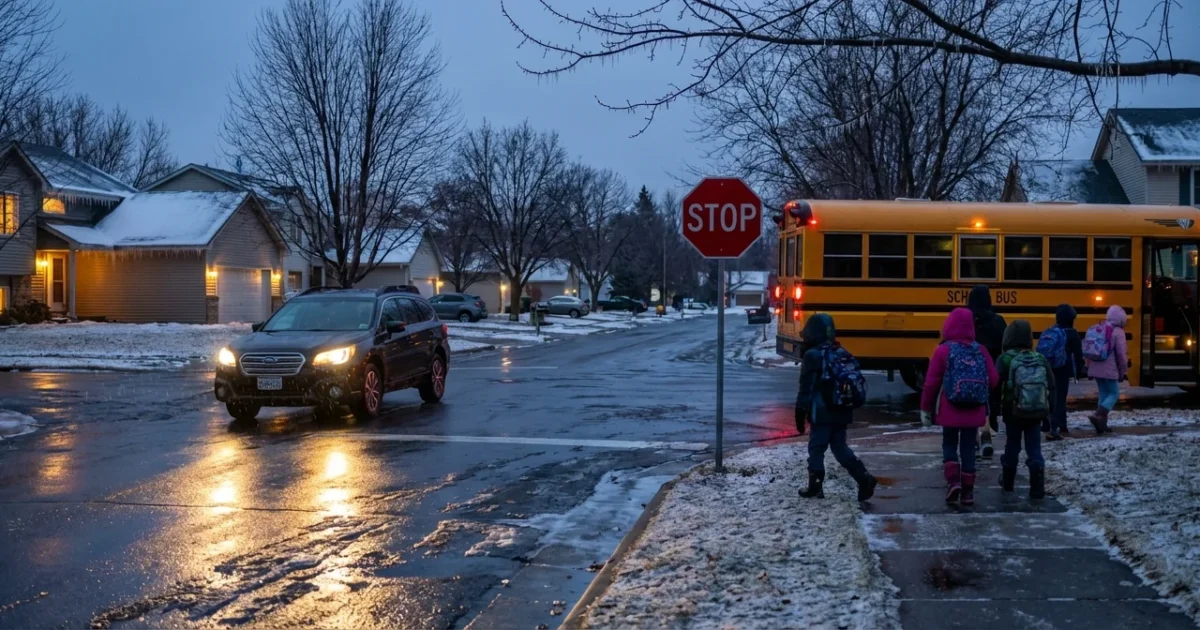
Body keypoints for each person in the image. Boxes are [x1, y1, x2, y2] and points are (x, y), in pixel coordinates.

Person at [921, 307, 1000, 506]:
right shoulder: (980, 350)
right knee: (968, 448)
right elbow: (994, 379)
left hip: (950, 409)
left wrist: (926, 409)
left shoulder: (943, 350)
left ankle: (953, 482)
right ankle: (968, 492)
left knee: (949, 444)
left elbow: (931, 383)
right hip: (975, 410)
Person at [795, 313, 878, 502]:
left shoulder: (812, 355)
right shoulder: (841, 352)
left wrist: (800, 414)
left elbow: (805, 389)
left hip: (822, 412)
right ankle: (864, 478)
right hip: (842, 410)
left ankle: (815, 487)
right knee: (840, 448)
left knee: (816, 448)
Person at [998, 320, 1054, 499]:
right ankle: (1037, 487)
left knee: (1012, 446)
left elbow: (993, 385)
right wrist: (1048, 411)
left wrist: (992, 411)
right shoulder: (1039, 358)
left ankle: (1008, 482)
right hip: (1036, 411)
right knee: (1034, 447)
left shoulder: (1005, 359)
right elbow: (1051, 385)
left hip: (1012, 411)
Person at [967, 285, 1006, 458]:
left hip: (969, 368)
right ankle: (988, 432)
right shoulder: (998, 320)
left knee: (971, 404)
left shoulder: (967, 319)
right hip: (992, 366)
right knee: (991, 400)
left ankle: (973, 439)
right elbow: (1004, 343)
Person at [1037, 304, 1084, 440]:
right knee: (1060, 398)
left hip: (1049, 367)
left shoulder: (1051, 331)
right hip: (1062, 368)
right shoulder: (1072, 333)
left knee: (1050, 396)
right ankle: (1057, 426)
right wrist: (1080, 368)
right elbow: (1078, 354)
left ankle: (1048, 423)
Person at [1085, 305, 1128, 434]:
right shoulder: (1118, 332)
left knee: (1104, 394)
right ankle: (1099, 415)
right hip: (1110, 370)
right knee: (1114, 393)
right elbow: (1121, 355)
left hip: (1096, 367)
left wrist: (1088, 367)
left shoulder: (1100, 327)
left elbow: (1090, 349)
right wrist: (1123, 371)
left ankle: (1101, 424)